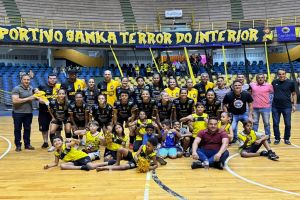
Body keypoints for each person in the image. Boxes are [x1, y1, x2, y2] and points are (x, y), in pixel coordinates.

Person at [12, 74, 37, 152]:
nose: (26, 81)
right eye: (25, 79)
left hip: (29, 112)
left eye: (28, 79)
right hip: (18, 113)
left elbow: (36, 96)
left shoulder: (31, 88)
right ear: (21, 80)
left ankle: (27, 144)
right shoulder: (16, 89)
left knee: (27, 129)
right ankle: (18, 145)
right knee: (17, 129)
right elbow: (15, 101)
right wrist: (29, 98)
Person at [272, 69, 297, 145]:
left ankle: (286, 138)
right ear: (277, 75)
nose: (281, 75)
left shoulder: (290, 82)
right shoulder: (274, 82)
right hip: (275, 106)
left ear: (285, 74)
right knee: (276, 123)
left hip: (287, 106)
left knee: (288, 124)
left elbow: (294, 94)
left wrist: (294, 105)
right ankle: (277, 138)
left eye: (283, 74)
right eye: (280, 74)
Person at [37, 74, 61, 148]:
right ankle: (45, 142)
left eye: (54, 78)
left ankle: (57, 142)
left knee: (57, 128)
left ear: (56, 79)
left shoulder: (59, 87)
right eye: (51, 78)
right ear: (48, 79)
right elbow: (37, 96)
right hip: (44, 111)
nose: (52, 80)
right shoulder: (42, 87)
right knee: (44, 128)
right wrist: (40, 99)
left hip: (56, 112)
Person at [250, 73, 273, 143]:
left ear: (264, 78)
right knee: (255, 123)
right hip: (255, 108)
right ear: (256, 79)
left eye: (262, 77)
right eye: (259, 77)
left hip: (265, 108)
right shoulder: (252, 85)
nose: (260, 79)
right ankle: (254, 137)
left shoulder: (269, 85)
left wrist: (269, 102)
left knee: (266, 123)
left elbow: (272, 93)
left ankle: (267, 138)